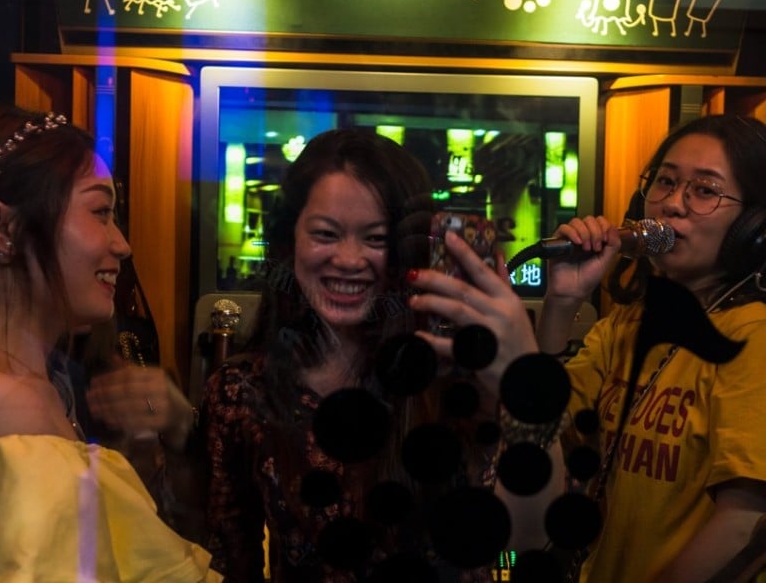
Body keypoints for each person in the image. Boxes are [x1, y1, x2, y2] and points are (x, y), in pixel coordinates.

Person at [0, 103, 220, 582]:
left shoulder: (38, 381)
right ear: (1, 227)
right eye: (100, 213)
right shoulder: (5, 407)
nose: (122, 244)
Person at [201, 129, 541, 582]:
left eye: (376, 239)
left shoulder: (452, 376)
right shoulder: (242, 391)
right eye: (326, 234)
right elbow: (230, 560)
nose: (348, 259)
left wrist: (524, 375)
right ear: (289, 242)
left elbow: (524, 541)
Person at [499, 114, 766, 582]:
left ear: (753, 228)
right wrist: (562, 304)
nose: (672, 204)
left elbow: (743, 522)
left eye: (704, 190)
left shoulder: (756, 337)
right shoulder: (625, 325)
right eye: (665, 182)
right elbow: (545, 429)